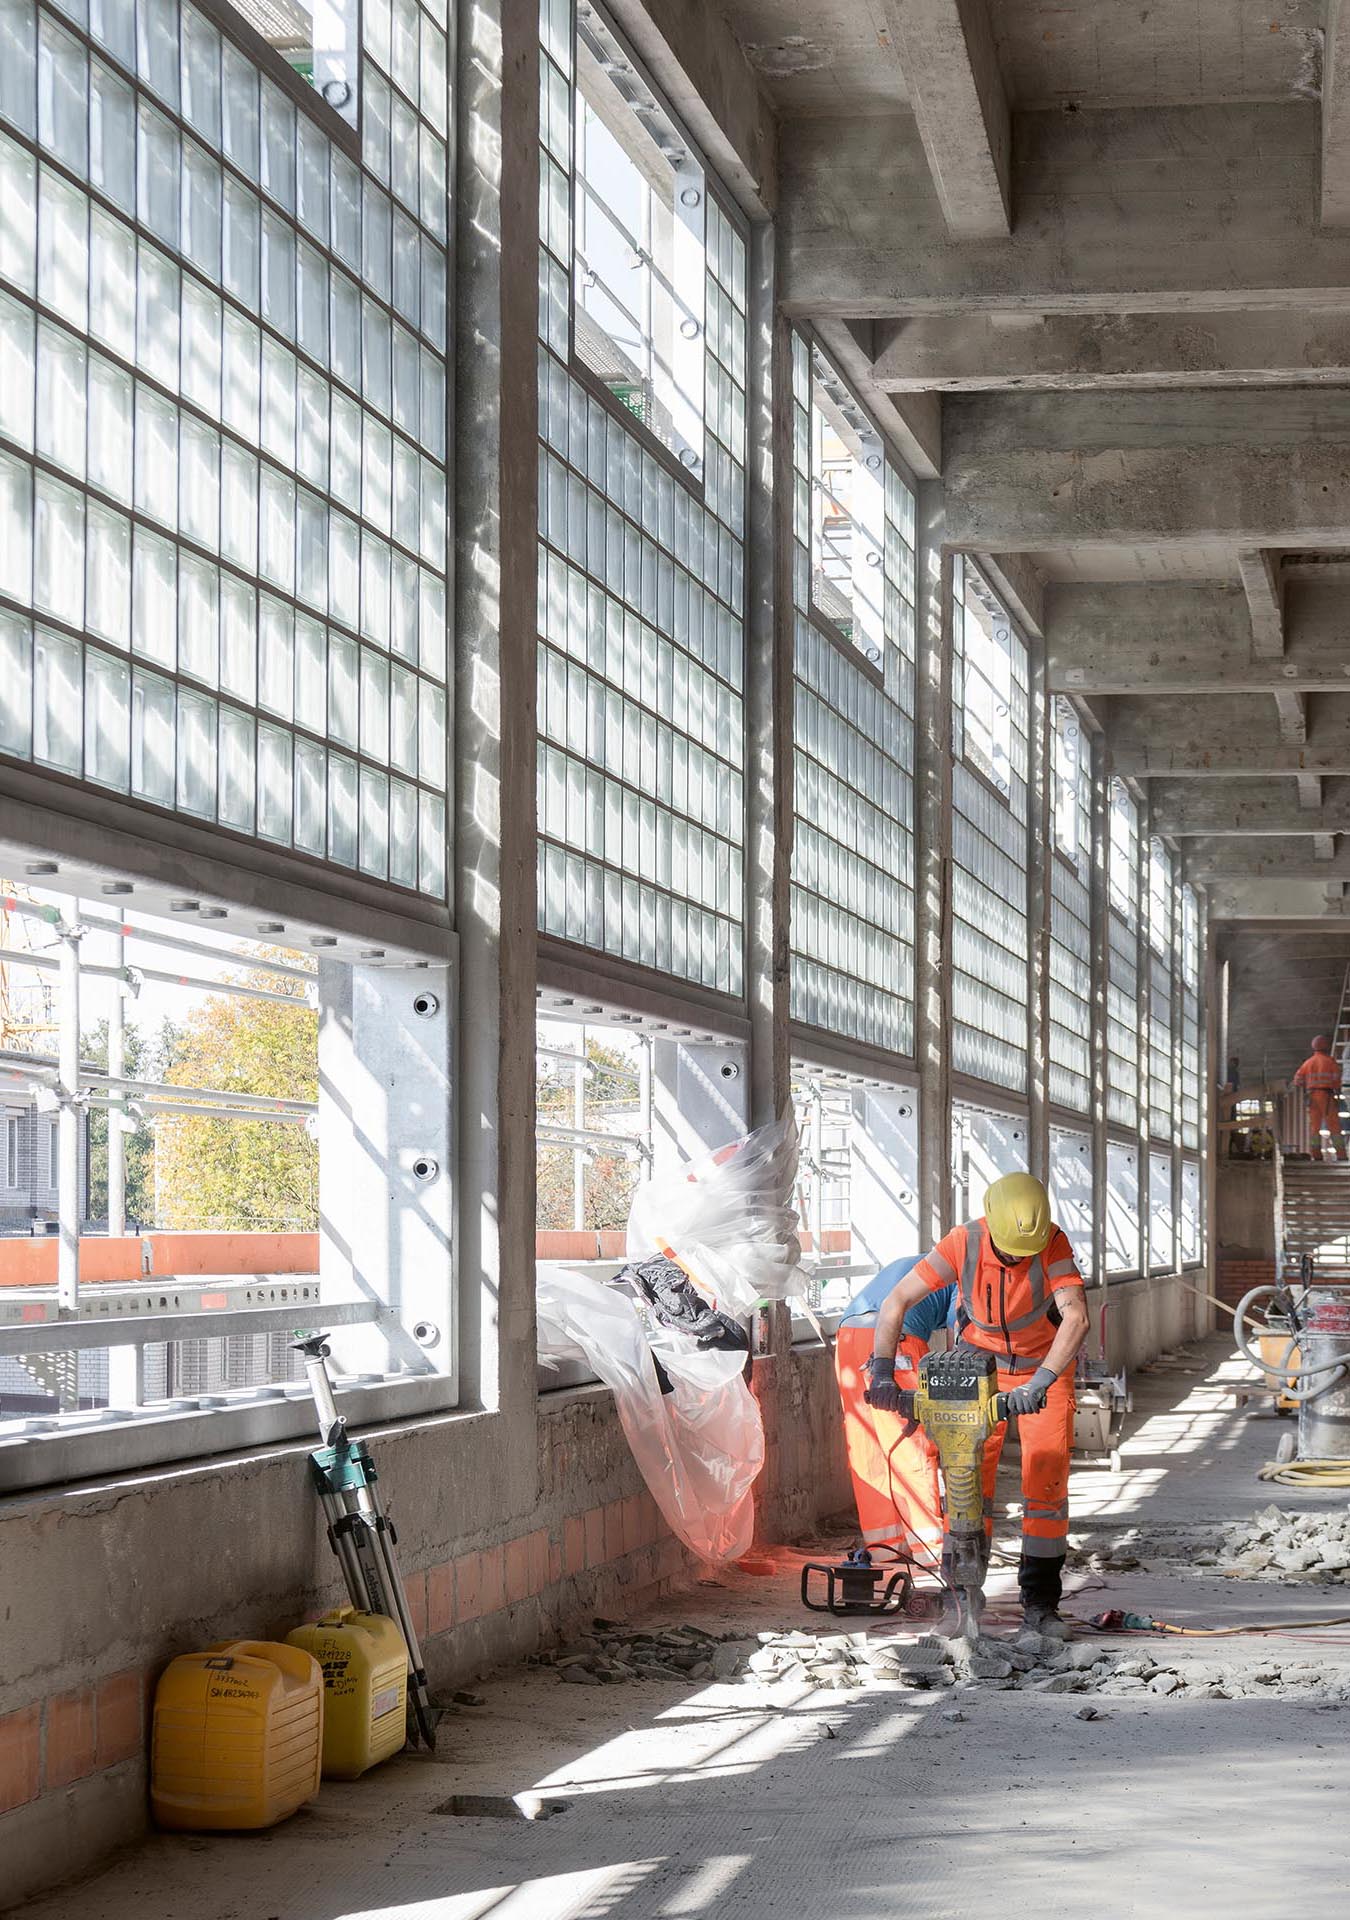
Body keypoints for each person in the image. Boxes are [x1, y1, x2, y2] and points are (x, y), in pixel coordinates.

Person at [863, 1171, 1090, 1638]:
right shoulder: (962, 1242)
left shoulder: (1052, 1243)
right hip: (974, 1367)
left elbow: (1077, 1317)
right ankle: (961, 1600)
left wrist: (1043, 1380)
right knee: (967, 1480)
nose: (1015, 1258)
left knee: (1045, 1485)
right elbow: (896, 1301)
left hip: (1041, 1367)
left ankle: (1041, 1606)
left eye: (1024, 1253)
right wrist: (883, 1371)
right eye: (1009, 1250)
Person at [834, 1259, 956, 1577]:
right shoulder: (964, 1271)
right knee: (911, 1443)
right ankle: (929, 1551)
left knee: (869, 1443)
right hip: (894, 1339)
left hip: (848, 1336)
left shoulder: (918, 1261)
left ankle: (885, 1545)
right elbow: (964, 1342)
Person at [1293, 1035, 1346, 1163]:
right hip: (1327, 1096)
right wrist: (1337, 1093)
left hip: (1312, 1097)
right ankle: (1341, 1155)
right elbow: (1337, 1080)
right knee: (1334, 1127)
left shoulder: (1308, 1063)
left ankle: (1316, 1155)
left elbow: (1297, 1080)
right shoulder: (1330, 1061)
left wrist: (1308, 1084)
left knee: (1314, 1128)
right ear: (1326, 1047)